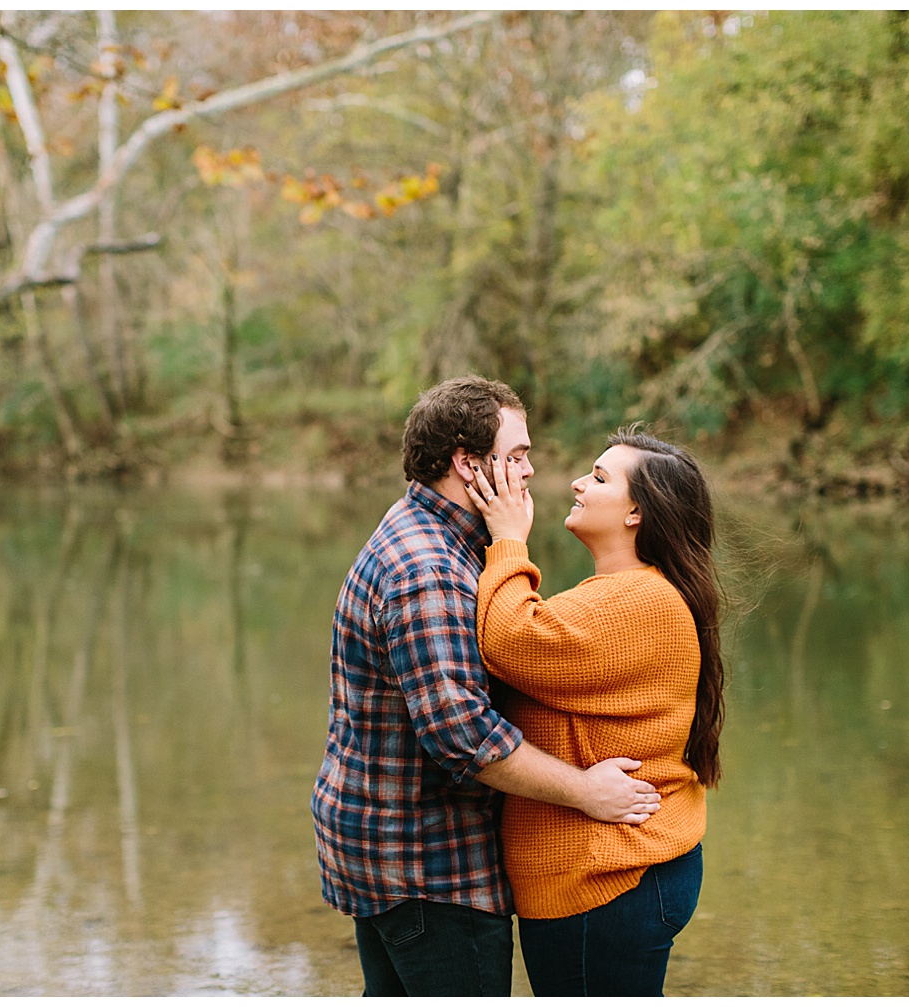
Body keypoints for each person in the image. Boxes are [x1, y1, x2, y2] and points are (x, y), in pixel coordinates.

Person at [311, 377, 663, 997]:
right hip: (426, 864)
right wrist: (587, 792)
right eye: (518, 455)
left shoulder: (435, 533)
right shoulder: (429, 571)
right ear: (468, 464)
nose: (531, 471)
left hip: (388, 846)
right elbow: (464, 736)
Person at [462, 426, 727, 996]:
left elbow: (510, 639)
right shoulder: (626, 593)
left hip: (608, 877)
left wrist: (508, 540)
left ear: (637, 512)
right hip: (616, 872)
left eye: (600, 478)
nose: (578, 483)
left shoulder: (638, 601)